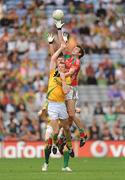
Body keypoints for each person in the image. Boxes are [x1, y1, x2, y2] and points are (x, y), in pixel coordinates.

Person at [54, 20, 87, 147]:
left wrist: (61, 75)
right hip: (65, 87)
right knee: (68, 115)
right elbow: (63, 45)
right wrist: (60, 31)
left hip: (71, 88)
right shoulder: (69, 58)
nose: (74, 48)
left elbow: (71, 72)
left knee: (71, 114)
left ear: (79, 53)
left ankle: (78, 134)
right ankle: (66, 135)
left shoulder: (77, 62)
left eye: (76, 49)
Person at [42, 42, 74, 172]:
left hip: (61, 105)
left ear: (64, 68)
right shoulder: (52, 73)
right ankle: (53, 149)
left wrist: (62, 78)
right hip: (53, 105)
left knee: (66, 128)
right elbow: (52, 58)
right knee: (55, 132)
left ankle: (66, 158)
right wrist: (60, 47)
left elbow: (66, 91)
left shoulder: (66, 78)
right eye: (59, 65)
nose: (60, 66)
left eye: (62, 66)